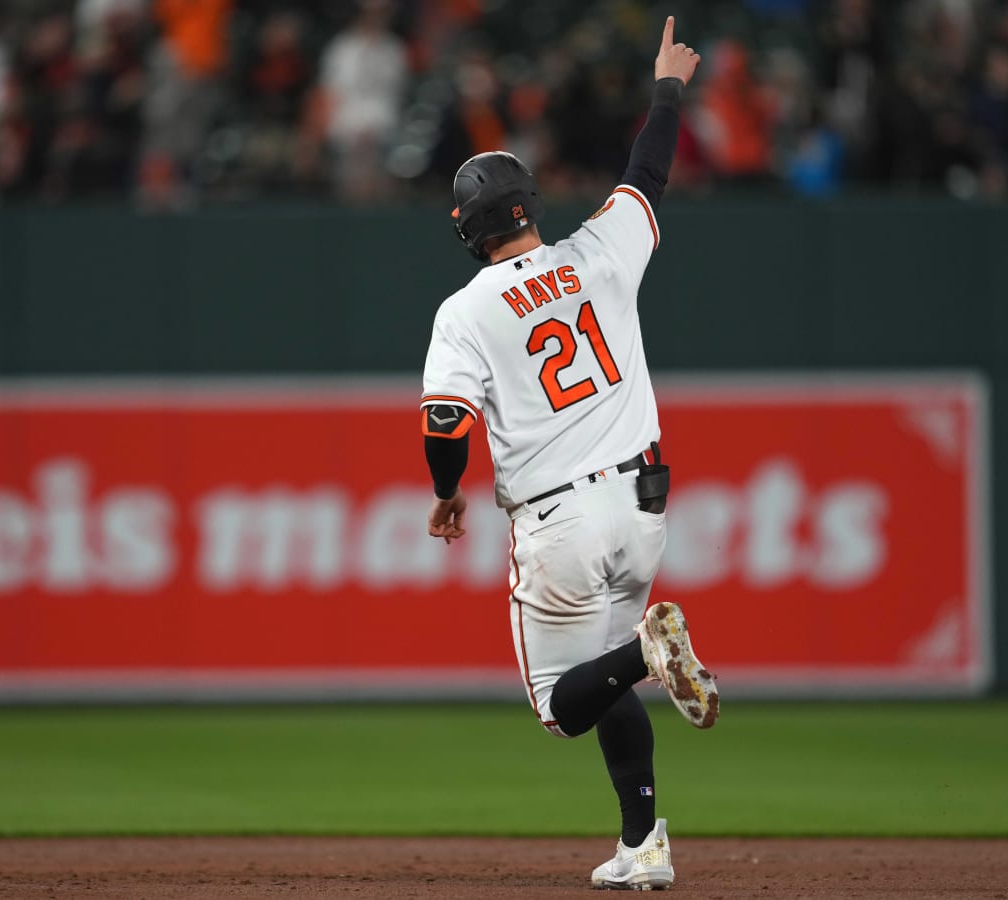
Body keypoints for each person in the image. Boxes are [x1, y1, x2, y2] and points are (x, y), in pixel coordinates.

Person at [419, 16, 718, 892]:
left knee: (565, 703)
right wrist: (666, 89)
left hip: (557, 519)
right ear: (529, 207)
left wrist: (446, 495)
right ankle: (644, 846)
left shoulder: (466, 310)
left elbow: (446, 425)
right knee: (609, 671)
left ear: (468, 230)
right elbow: (648, 174)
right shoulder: (598, 252)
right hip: (645, 506)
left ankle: (649, 655)